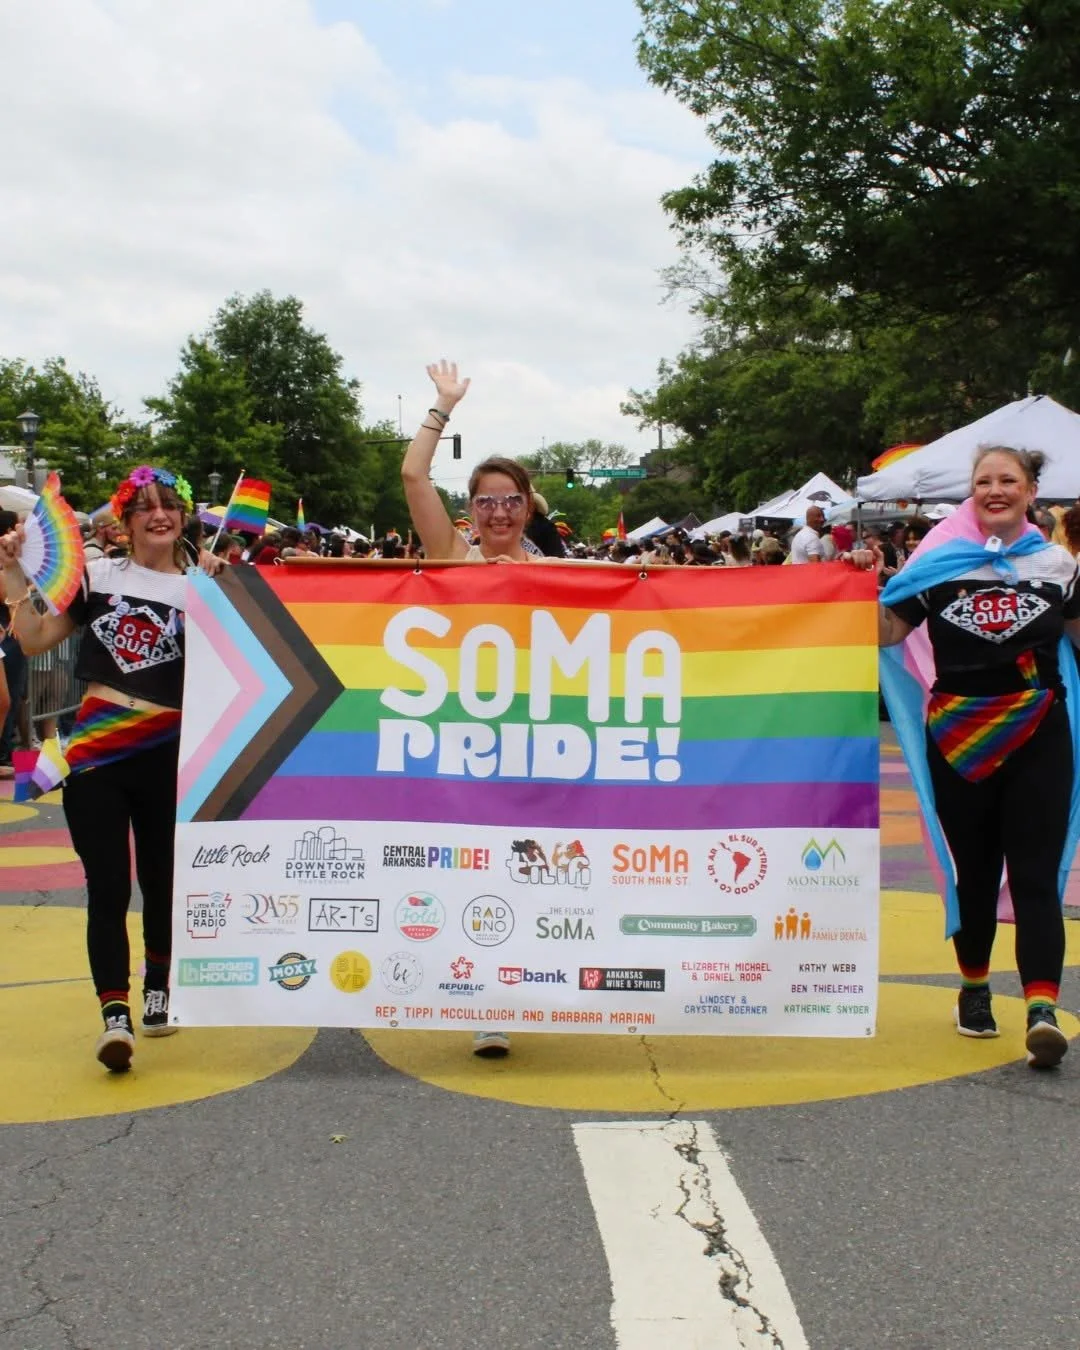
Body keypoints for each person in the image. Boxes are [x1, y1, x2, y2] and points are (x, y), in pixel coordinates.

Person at [866, 446, 1080, 1070]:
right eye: (984, 481)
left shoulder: (1059, 565)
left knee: (1036, 874)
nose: (995, 490)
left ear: (1031, 491)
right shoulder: (938, 564)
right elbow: (887, 632)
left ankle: (1042, 1011)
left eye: (1008, 480)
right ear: (972, 492)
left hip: (1040, 733)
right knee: (978, 873)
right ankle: (975, 988)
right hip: (957, 737)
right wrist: (854, 583)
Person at [0, 466, 220, 1072]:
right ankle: (114, 1014)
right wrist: (12, 572)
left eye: (169, 505)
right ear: (123, 523)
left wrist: (227, 590)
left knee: (163, 881)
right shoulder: (96, 579)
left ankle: (159, 989)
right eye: (144, 506)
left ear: (184, 517)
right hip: (95, 756)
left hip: (169, 754)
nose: (159, 515)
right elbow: (34, 641)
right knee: (108, 886)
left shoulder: (205, 589)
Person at [402, 361, 555, 1058]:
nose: (499, 513)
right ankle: (486, 1000)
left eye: (510, 500)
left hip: (539, 743)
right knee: (476, 872)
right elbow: (413, 476)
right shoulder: (451, 558)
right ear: (471, 510)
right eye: (486, 501)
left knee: (530, 873)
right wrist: (442, 407)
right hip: (464, 742)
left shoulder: (563, 575)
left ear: (528, 507)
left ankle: (528, 989)